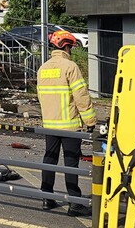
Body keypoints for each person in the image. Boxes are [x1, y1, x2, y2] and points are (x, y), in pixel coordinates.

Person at [38, 30, 96, 217]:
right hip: (69, 125)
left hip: (50, 124)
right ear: (65, 46)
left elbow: (41, 98)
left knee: (50, 159)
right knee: (70, 163)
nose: (71, 50)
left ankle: (47, 197)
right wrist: (90, 121)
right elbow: (81, 97)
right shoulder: (70, 67)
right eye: (70, 46)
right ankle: (75, 203)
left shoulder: (43, 69)